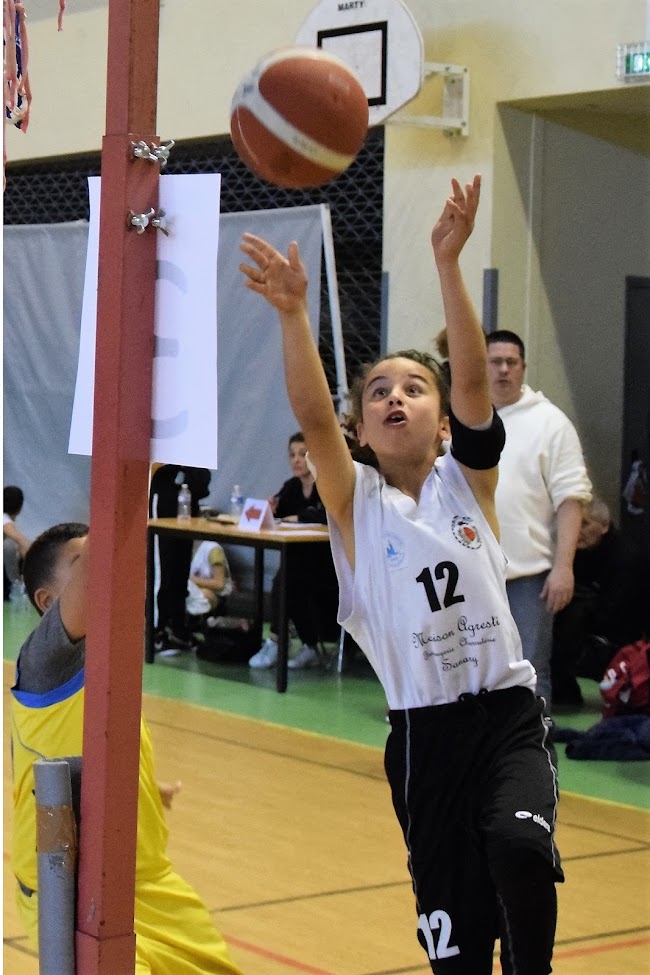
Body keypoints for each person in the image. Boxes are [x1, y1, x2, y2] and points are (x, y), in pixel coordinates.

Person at [240, 176, 564, 975]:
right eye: (379, 391)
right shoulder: (357, 504)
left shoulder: (469, 481)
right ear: (361, 426)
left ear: (443, 422)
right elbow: (314, 417)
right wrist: (293, 313)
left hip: (507, 714)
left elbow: (474, 380)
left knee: (521, 848)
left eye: (414, 389)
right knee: (457, 951)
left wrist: (448, 262)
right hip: (424, 738)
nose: (395, 398)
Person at [11, 522, 244, 975]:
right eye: (81, 563)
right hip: (70, 892)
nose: (105, 565)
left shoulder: (109, 654)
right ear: (47, 601)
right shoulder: (46, 658)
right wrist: (134, 486)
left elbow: (83, 749)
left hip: (147, 881)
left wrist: (143, 788)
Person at [486, 328, 592, 710]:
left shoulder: (550, 423)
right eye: (495, 362)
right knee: (477, 672)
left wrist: (564, 567)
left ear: (523, 368)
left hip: (529, 574)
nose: (503, 370)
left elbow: (571, 497)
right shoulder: (463, 418)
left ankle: (535, 746)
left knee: (530, 671)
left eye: (511, 362)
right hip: (473, 572)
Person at [248, 431, 340, 670]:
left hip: (329, 565)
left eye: (303, 454)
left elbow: (330, 515)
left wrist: (300, 517)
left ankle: (278, 641)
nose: (297, 460)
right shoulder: (291, 486)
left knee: (287, 579)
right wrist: (271, 508)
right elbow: (279, 511)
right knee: (288, 578)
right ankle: (302, 645)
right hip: (300, 562)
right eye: (292, 455)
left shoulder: (327, 484)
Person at [551, 498, 649, 705]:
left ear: (604, 526)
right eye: (575, 524)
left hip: (624, 637)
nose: (578, 530)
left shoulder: (626, 559)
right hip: (599, 626)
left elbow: (616, 616)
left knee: (569, 620)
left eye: (585, 524)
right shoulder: (575, 554)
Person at [149, 464, 211, 650]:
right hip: (163, 503)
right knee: (162, 569)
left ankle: (178, 628)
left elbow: (201, 482)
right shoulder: (163, 472)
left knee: (181, 569)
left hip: (186, 505)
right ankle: (156, 631)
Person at [3, 484, 31, 599]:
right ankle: (16, 584)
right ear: (20, 507)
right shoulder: (4, 520)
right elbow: (21, 540)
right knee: (10, 544)